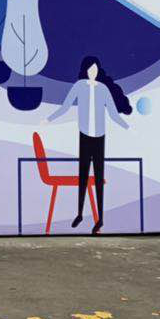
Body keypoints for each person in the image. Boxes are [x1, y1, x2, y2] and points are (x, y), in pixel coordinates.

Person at [47, 55, 130, 234]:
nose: (93, 72)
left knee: (98, 179)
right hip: (84, 136)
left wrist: (128, 127)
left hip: (99, 138)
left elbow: (113, 114)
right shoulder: (79, 86)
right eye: (90, 69)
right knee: (83, 177)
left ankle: (100, 219)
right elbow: (65, 107)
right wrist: (48, 119)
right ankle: (79, 214)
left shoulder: (103, 89)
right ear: (84, 70)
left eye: (95, 69)